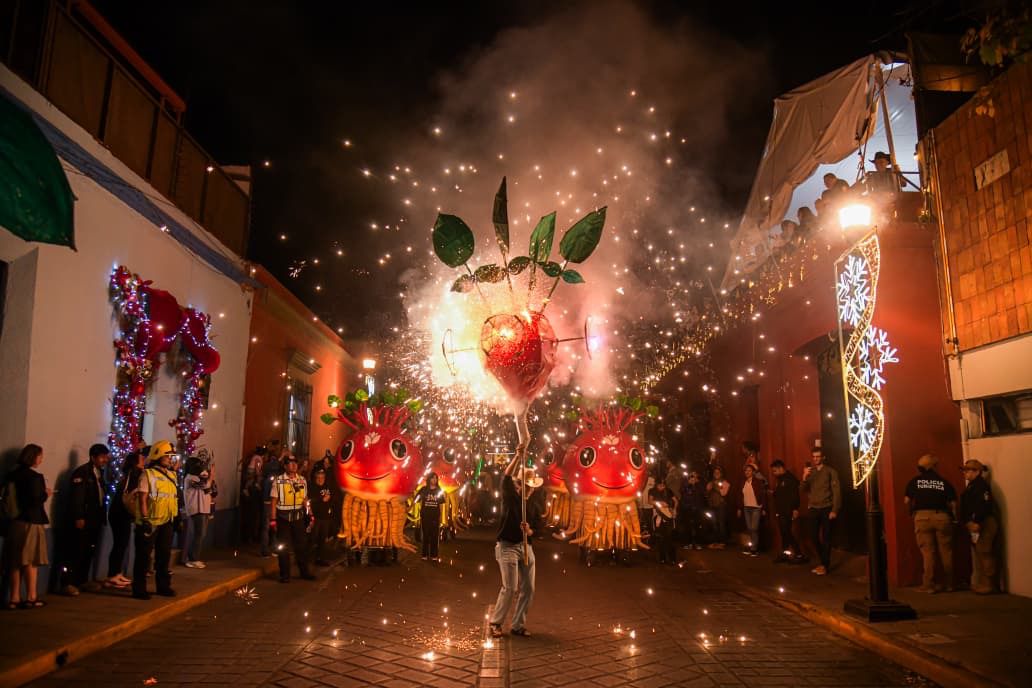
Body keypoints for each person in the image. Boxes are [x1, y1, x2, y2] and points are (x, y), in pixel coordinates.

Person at [488, 451, 542, 639]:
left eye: (531, 487)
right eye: (527, 486)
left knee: (529, 588)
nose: (530, 490)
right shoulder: (510, 496)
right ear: (520, 485)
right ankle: (496, 623)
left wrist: (529, 531)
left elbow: (539, 527)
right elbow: (506, 477)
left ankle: (518, 625)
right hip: (507, 546)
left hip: (526, 546)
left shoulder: (533, 504)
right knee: (510, 587)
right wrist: (518, 457)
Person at [131, 441, 180, 600]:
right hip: (149, 523)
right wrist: (145, 519)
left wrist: (176, 519)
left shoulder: (172, 475)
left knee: (164, 556)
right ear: (158, 456)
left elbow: (173, 498)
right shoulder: (147, 474)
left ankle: (163, 586)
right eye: (168, 456)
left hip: (166, 522)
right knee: (143, 557)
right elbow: (142, 499)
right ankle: (139, 589)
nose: (170, 459)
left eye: (171, 456)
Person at [3, 444, 50, 609]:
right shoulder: (35, 477)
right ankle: (31, 596)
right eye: (40, 456)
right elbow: (35, 501)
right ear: (33, 457)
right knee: (30, 561)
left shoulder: (11, 475)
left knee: (15, 562)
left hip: (15, 522)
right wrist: (46, 494)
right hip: (32, 522)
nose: (41, 459)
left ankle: (14, 598)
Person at [61, 443, 110, 595]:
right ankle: (68, 583)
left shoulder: (99, 473)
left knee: (88, 551)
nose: (105, 460)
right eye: (102, 457)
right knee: (76, 550)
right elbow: (77, 497)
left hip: (95, 519)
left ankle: (82, 580)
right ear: (93, 457)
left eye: (106, 457)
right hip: (84, 519)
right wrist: (79, 516)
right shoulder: (82, 473)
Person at [904, 454, 957, 592]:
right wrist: (954, 518)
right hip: (942, 516)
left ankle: (929, 585)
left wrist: (912, 513)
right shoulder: (944, 482)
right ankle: (949, 584)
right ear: (935, 466)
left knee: (928, 552)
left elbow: (907, 501)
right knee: (946, 551)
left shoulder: (915, 481)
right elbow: (953, 503)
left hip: (922, 517)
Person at [270, 455, 314, 583]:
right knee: (283, 547)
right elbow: (274, 501)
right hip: (283, 518)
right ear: (285, 466)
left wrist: (310, 514)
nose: (294, 465)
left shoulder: (302, 480)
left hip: (298, 518)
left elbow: (305, 499)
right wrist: (273, 520)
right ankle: (285, 575)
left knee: (302, 546)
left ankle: (304, 572)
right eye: (290, 463)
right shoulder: (278, 481)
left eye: (295, 462)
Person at [105, 450, 143, 589]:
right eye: (141, 460)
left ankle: (117, 573)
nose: (143, 462)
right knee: (120, 544)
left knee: (121, 544)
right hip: (121, 514)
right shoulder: (135, 475)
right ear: (135, 463)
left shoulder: (127, 475)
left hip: (120, 513)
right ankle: (112, 575)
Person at [960, 459, 998, 594]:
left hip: (983, 523)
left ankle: (989, 584)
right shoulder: (972, 486)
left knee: (985, 553)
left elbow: (983, 505)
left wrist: (976, 521)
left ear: (977, 472)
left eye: (968, 470)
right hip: (976, 522)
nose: (965, 473)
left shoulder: (981, 486)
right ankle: (982, 582)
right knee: (980, 553)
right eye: (964, 470)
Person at [801, 445, 841, 575]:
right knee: (812, 536)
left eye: (818, 457)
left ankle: (824, 565)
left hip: (826, 508)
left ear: (823, 457)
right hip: (813, 508)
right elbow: (802, 490)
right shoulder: (810, 472)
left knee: (826, 537)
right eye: (814, 457)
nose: (815, 459)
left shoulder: (830, 471)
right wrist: (804, 477)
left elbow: (836, 492)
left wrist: (834, 509)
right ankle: (823, 562)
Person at [183, 456, 217, 569]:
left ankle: (194, 558)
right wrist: (211, 475)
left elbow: (209, 490)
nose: (201, 468)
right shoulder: (190, 477)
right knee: (199, 534)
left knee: (201, 534)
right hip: (197, 509)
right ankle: (192, 559)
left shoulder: (198, 477)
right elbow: (205, 485)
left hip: (203, 509)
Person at [770, 460, 804, 563]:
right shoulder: (779, 479)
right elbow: (780, 493)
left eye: (775, 471)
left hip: (788, 510)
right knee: (783, 533)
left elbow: (795, 495)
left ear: (781, 468)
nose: (773, 473)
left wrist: (795, 508)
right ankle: (784, 554)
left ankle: (799, 554)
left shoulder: (791, 479)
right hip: (781, 510)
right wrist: (773, 493)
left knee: (787, 532)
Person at [309, 468, 337, 566]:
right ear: (315, 478)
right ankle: (306, 558)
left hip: (325, 518)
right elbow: (309, 501)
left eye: (322, 478)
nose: (321, 480)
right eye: (319, 478)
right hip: (316, 517)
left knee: (322, 539)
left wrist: (330, 500)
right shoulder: (312, 488)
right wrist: (321, 499)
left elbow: (332, 498)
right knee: (312, 538)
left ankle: (320, 558)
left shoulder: (327, 487)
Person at [736, 464, 766, 556]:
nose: (747, 472)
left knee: (754, 528)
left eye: (749, 470)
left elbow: (763, 494)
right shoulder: (743, 482)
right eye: (746, 470)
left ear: (753, 472)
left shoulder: (758, 482)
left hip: (756, 507)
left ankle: (754, 549)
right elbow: (740, 496)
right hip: (746, 507)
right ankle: (752, 546)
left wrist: (764, 508)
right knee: (749, 528)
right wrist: (739, 508)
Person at [259, 451, 283, 557]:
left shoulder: (275, 476)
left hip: (274, 504)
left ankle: (272, 548)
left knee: (273, 526)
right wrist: (281, 457)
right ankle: (265, 549)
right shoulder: (271, 477)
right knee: (267, 526)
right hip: (269, 503)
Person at [415, 472, 444, 562]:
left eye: (436, 478)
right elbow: (416, 500)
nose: (434, 480)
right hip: (425, 516)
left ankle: (434, 555)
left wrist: (441, 517)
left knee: (434, 536)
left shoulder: (439, 490)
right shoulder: (424, 489)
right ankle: (424, 554)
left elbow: (441, 504)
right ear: (429, 479)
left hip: (435, 516)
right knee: (426, 535)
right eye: (433, 478)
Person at [240, 446, 265, 544]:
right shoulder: (258, 458)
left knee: (249, 481)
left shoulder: (254, 457)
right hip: (252, 471)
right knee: (251, 481)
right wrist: (258, 475)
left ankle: (246, 488)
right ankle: (247, 488)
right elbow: (257, 468)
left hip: (250, 471)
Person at [649, 479, 677, 564]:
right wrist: (659, 503)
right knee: (661, 537)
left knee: (669, 537)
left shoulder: (668, 491)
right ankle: (662, 558)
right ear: (656, 485)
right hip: (658, 515)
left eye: (663, 485)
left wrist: (674, 509)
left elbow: (676, 501)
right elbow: (650, 501)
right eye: (660, 485)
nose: (661, 487)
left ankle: (672, 558)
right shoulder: (652, 491)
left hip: (668, 515)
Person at [678, 470, 706, 550]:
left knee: (698, 526)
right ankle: (688, 543)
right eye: (692, 476)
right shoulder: (685, 483)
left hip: (697, 508)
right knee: (687, 526)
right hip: (687, 508)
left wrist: (697, 483)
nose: (693, 477)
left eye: (695, 475)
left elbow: (703, 492)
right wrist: (688, 484)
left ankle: (697, 543)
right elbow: (681, 491)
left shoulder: (700, 483)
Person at [705, 467, 730, 549]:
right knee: (714, 523)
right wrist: (708, 489)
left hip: (721, 505)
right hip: (712, 505)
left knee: (721, 523)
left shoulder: (725, 482)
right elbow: (706, 493)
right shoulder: (710, 482)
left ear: (721, 474)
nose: (716, 474)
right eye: (715, 472)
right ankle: (715, 541)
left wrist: (715, 486)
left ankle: (722, 542)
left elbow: (723, 493)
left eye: (718, 472)